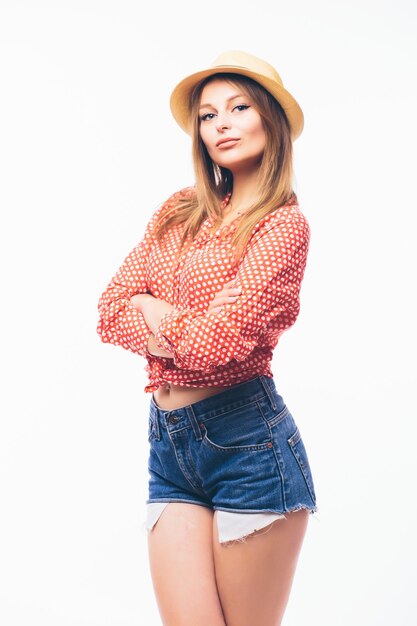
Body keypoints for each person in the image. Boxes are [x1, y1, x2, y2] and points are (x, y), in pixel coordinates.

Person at [97, 50, 318, 626]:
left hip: (249, 445)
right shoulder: (178, 211)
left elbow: (218, 344)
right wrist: (176, 322)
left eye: (239, 107)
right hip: (169, 445)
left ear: (269, 120)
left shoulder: (282, 225)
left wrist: (153, 311)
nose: (220, 123)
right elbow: (108, 310)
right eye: (207, 114)